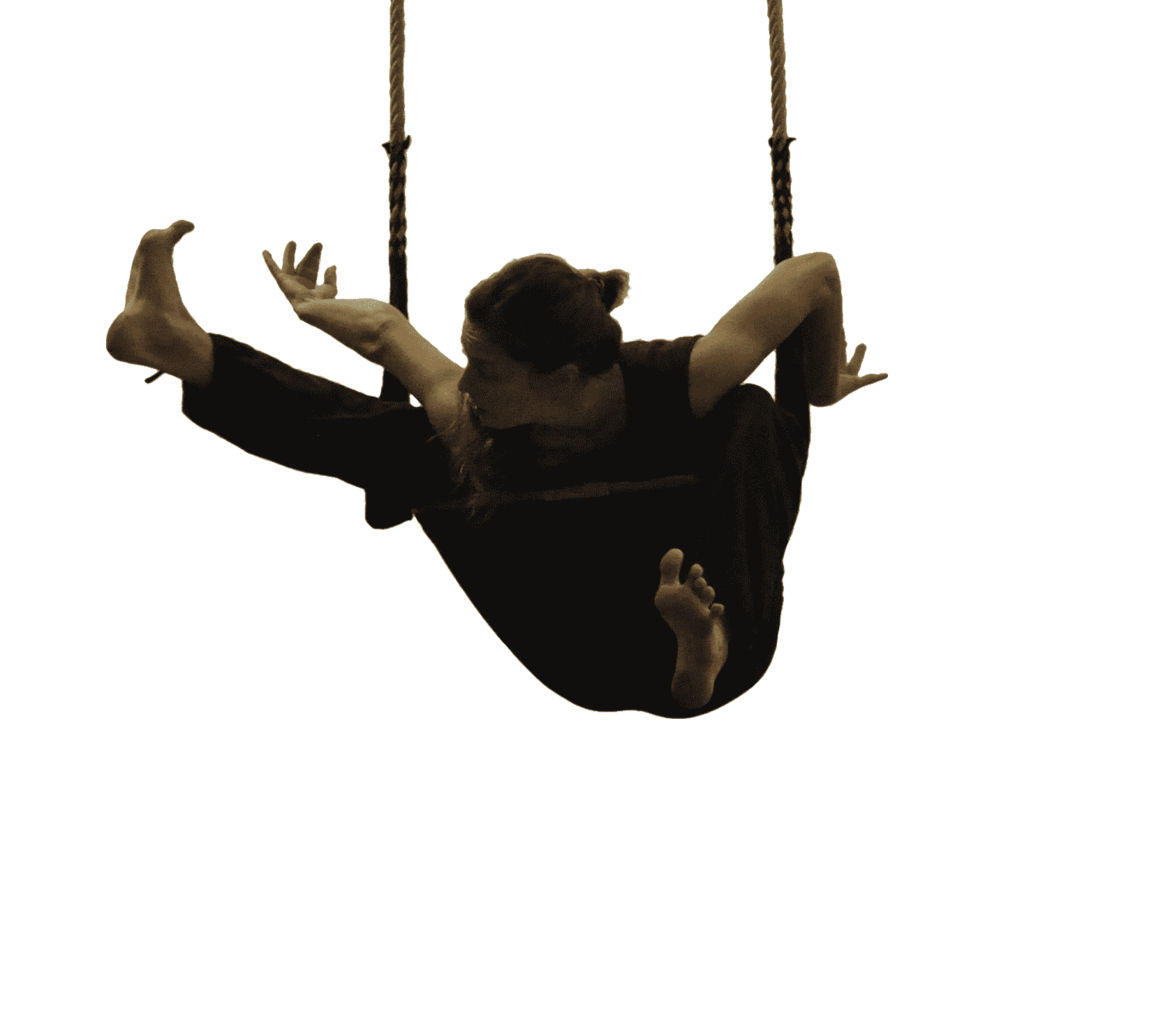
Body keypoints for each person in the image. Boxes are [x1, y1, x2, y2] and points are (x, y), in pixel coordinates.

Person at [105, 221, 889, 718]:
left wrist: (818, 382)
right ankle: (182, 348)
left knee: (753, 416)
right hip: (573, 637)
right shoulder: (487, 419)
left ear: (565, 379)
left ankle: (701, 645)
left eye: (486, 367)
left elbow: (815, 272)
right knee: (407, 440)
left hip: (716, 620)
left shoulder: (685, 381)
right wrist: (310, 310)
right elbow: (389, 334)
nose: (466, 380)